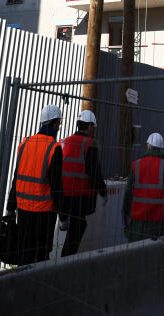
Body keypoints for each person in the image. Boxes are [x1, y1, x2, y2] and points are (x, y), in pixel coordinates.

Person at [6, 105, 64, 264]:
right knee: (41, 254)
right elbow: (56, 186)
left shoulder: (24, 144)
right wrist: (63, 216)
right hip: (43, 213)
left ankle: (21, 281)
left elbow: (16, 177)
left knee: (25, 250)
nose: (58, 127)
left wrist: (11, 206)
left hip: (23, 209)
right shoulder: (54, 148)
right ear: (54, 123)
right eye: (59, 124)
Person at [58, 109, 107, 257]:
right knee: (77, 229)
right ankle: (65, 262)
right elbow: (94, 171)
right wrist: (103, 192)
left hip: (64, 195)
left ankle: (65, 259)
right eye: (94, 127)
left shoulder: (65, 141)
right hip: (80, 197)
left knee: (76, 227)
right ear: (90, 126)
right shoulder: (90, 144)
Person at [123, 132, 164, 242]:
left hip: (138, 221)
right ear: (161, 148)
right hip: (160, 223)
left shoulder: (136, 165)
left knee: (136, 253)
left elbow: (128, 192)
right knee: (157, 255)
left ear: (148, 146)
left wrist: (126, 212)